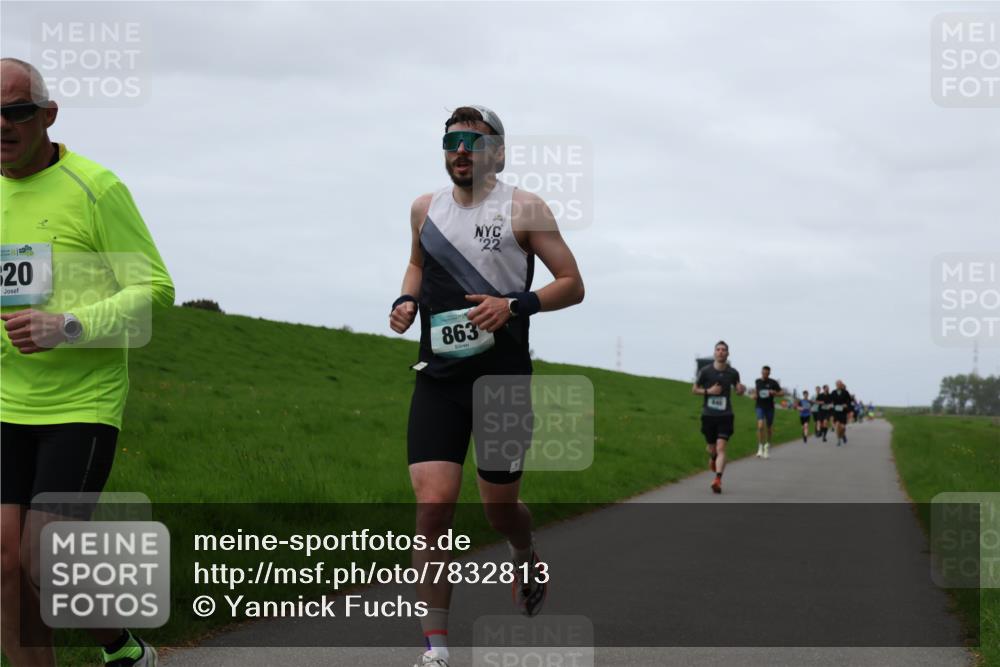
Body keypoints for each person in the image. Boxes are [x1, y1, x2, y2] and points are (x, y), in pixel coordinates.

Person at [389, 106, 585, 667]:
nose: (460, 150)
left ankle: (524, 553)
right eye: (451, 140)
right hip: (439, 378)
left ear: (496, 152)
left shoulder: (525, 208)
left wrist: (514, 305)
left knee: (500, 510)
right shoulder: (424, 209)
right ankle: (437, 647)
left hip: (502, 379)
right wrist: (405, 300)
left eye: (472, 141)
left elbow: (572, 284)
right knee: (432, 507)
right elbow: (416, 266)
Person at [1, 59, 174, 667]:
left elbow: (154, 289)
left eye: (15, 111)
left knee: (42, 554)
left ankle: (122, 647)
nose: (2, 125)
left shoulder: (95, 188)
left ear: (47, 116)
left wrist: (67, 326)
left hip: (82, 400)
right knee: (3, 561)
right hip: (6, 402)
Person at [692, 341, 746, 494]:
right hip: (708, 415)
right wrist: (709, 391)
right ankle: (713, 455)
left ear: (728, 354)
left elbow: (738, 390)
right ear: (714, 353)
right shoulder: (705, 371)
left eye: (724, 350)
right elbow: (694, 390)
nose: (721, 352)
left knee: (722, 446)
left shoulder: (733, 372)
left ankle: (718, 479)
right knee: (712, 448)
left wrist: (741, 390)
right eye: (718, 349)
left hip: (726, 415)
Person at [751, 365, 783, 459]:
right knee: (760, 425)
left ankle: (767, 446)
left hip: (770, 407)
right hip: (760, 406)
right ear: (761, 372)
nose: (764, 374)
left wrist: (775, 393)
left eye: (766, 373)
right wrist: (754, 396)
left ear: (769, 373)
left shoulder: (773, 382)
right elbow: (755, 392)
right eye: (763, 372)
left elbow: (782, 393)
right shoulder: (757, 381)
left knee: (769, 428)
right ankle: (760, 446)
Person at [829, 380, 853, 446]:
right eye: (837, 384)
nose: (838, 385)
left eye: (840, 384)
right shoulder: (833, 392)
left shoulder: (845, 392)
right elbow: (830, 400)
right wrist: (831, 404)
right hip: (836, 412)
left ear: (841, 385)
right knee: (837, 425)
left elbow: (849, 401)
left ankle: (843, 435)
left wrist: (846, 405)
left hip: (843, 412)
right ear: (836, 385)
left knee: (843, 427)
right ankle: (838, 440)